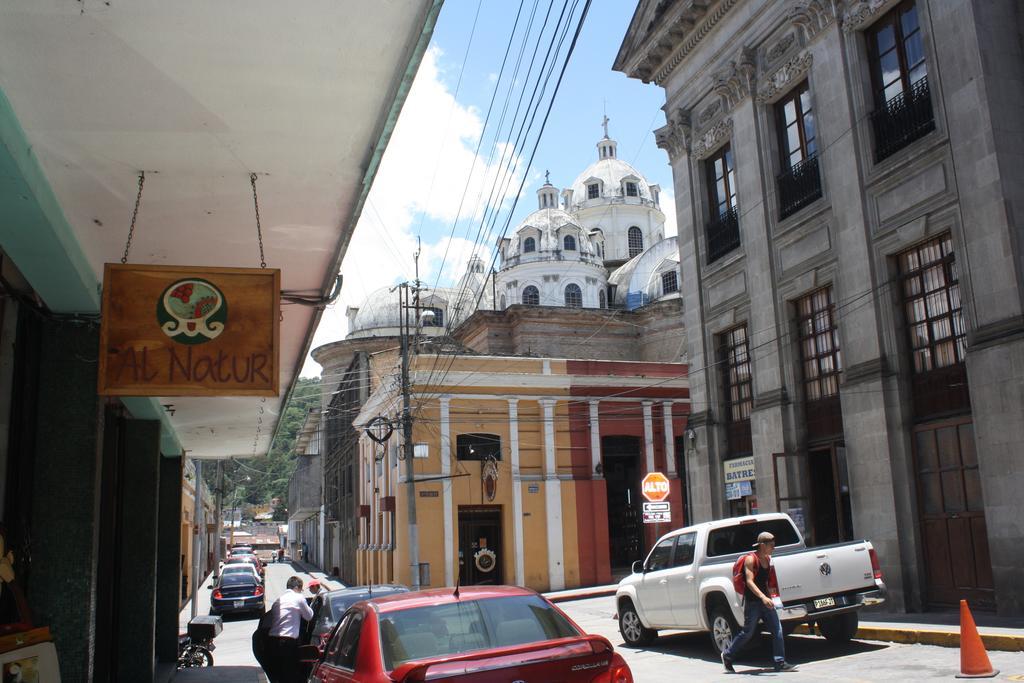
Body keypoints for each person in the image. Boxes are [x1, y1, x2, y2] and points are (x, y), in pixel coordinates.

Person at [722, 531, 796, 673]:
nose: (774, 548)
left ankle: (779, 662)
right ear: (762, 545)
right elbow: (749, 582)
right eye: (771, 545)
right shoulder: (751, 559)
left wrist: (773, 597)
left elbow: (766, 582)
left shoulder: (767, 559)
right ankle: (727, 655)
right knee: (747, 633)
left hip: (766, 601)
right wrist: (763, 597)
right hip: (753, 602)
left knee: (777, 630)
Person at [267, 576, 314, 683]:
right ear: (297, 588)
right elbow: (309, 616)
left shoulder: (277, 601)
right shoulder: (298, 598)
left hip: (272, 642)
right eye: (301, 589)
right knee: (291, 674)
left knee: (280, 675)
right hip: (288, 643)